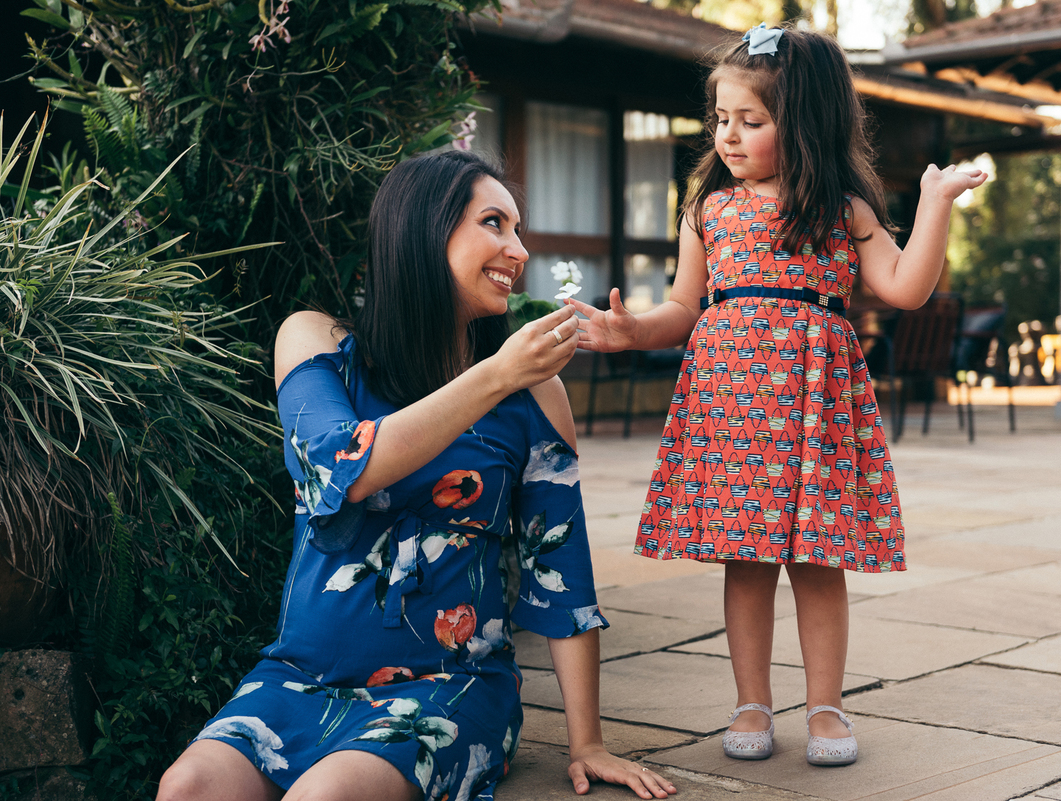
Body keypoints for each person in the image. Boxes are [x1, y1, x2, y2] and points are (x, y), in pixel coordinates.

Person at [156, 151, 677, 801]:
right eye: (494, 223)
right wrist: (495, 376)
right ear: (423, 228)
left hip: (447, 684)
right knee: (187, 787)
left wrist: (588, 741)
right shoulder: (318, 344)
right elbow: (342, 467)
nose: (517, 250)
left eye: (519, 229)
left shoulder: (535, 394)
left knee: (324, 797)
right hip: (299, 677)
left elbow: (559, 570)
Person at [568, 25, 985, 766]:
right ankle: (751, 701)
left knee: (818, 558)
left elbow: (906, 287)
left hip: (814, 399)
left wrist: (934, 202)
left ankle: (826, 705)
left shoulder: (840, 207)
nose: (729, 135)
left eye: (750, 121)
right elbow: (684, 308)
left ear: (806, 121)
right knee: (747, 558)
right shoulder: (708, 208)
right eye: (721, 119)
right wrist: (631, 330)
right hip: (731, 401)